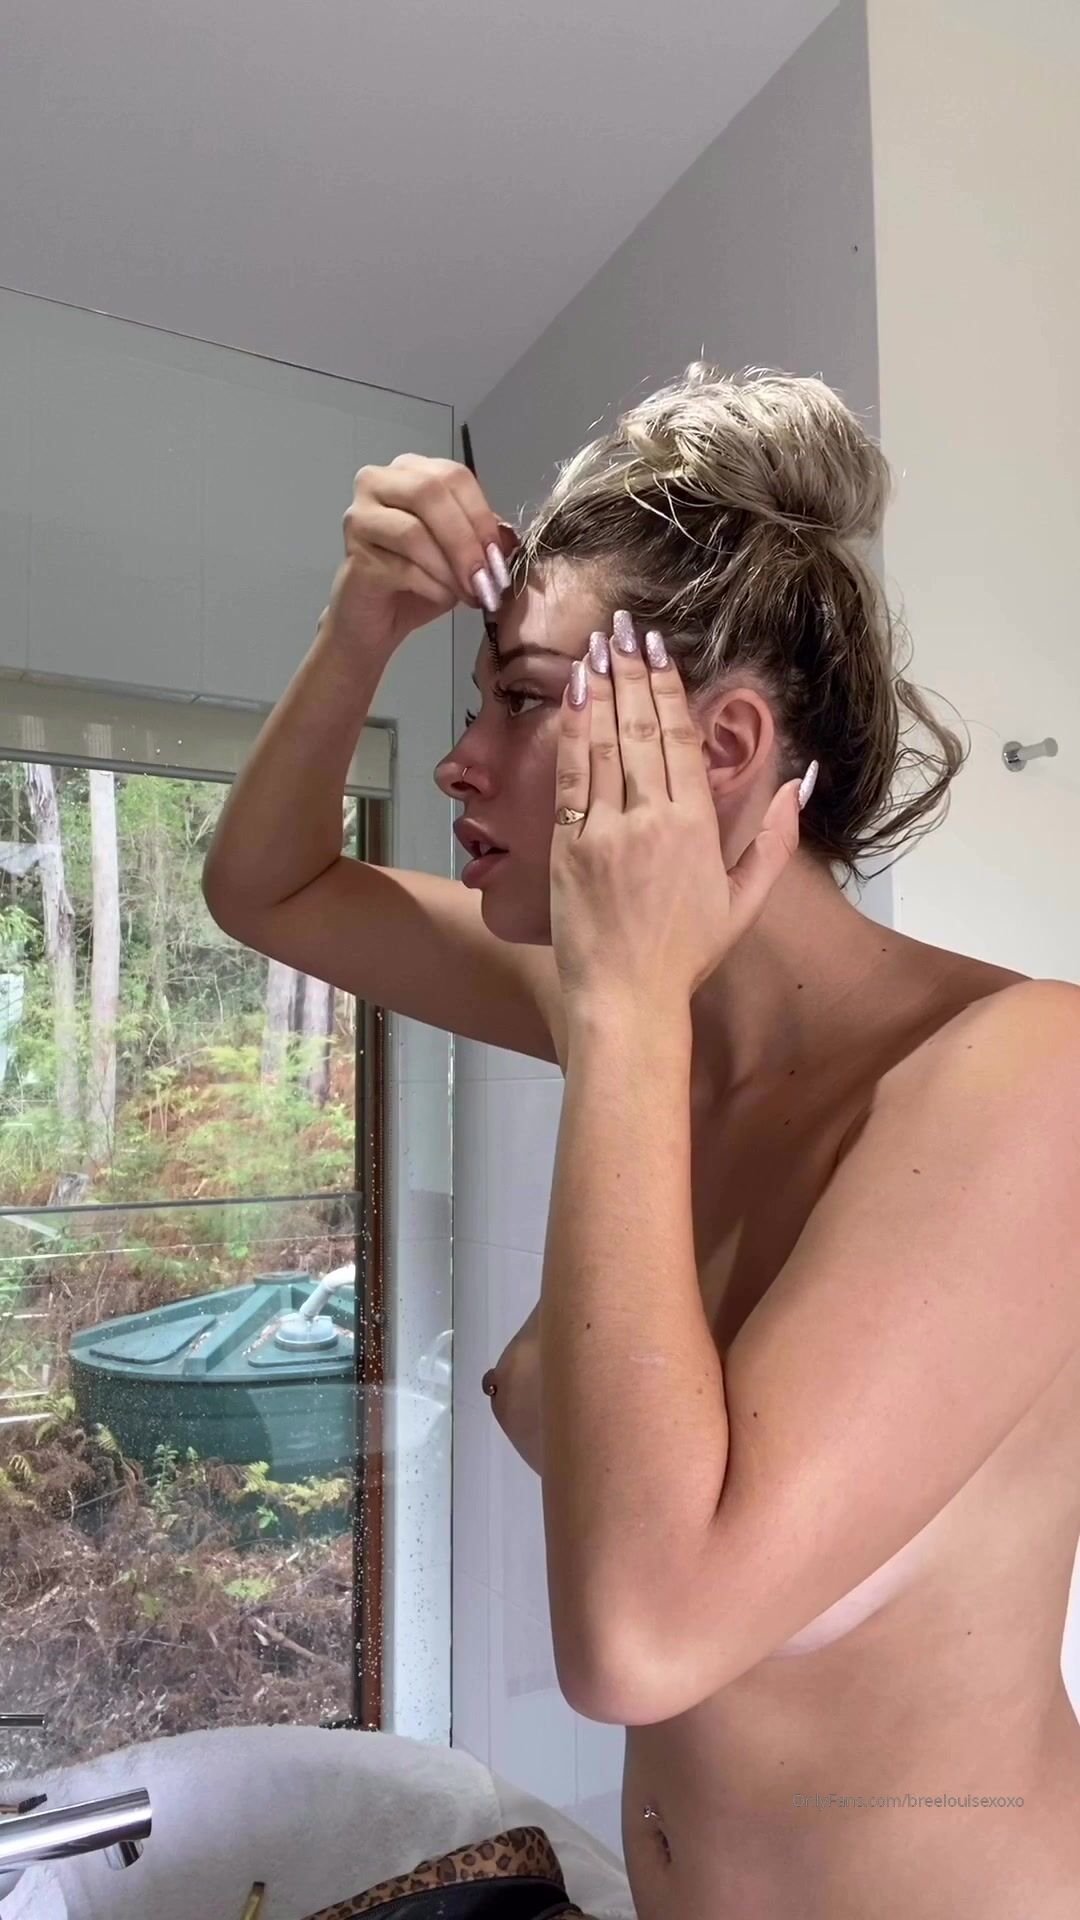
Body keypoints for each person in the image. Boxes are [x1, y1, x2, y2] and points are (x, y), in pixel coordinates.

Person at [203, 365, 1080, 1919]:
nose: (462, 762)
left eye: (524, 700)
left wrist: (616, 1011)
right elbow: (268, 886)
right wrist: (358, 630)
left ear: (724, 748)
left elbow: (642, 1639)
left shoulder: (1024, 1076)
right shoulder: (638, 1026)